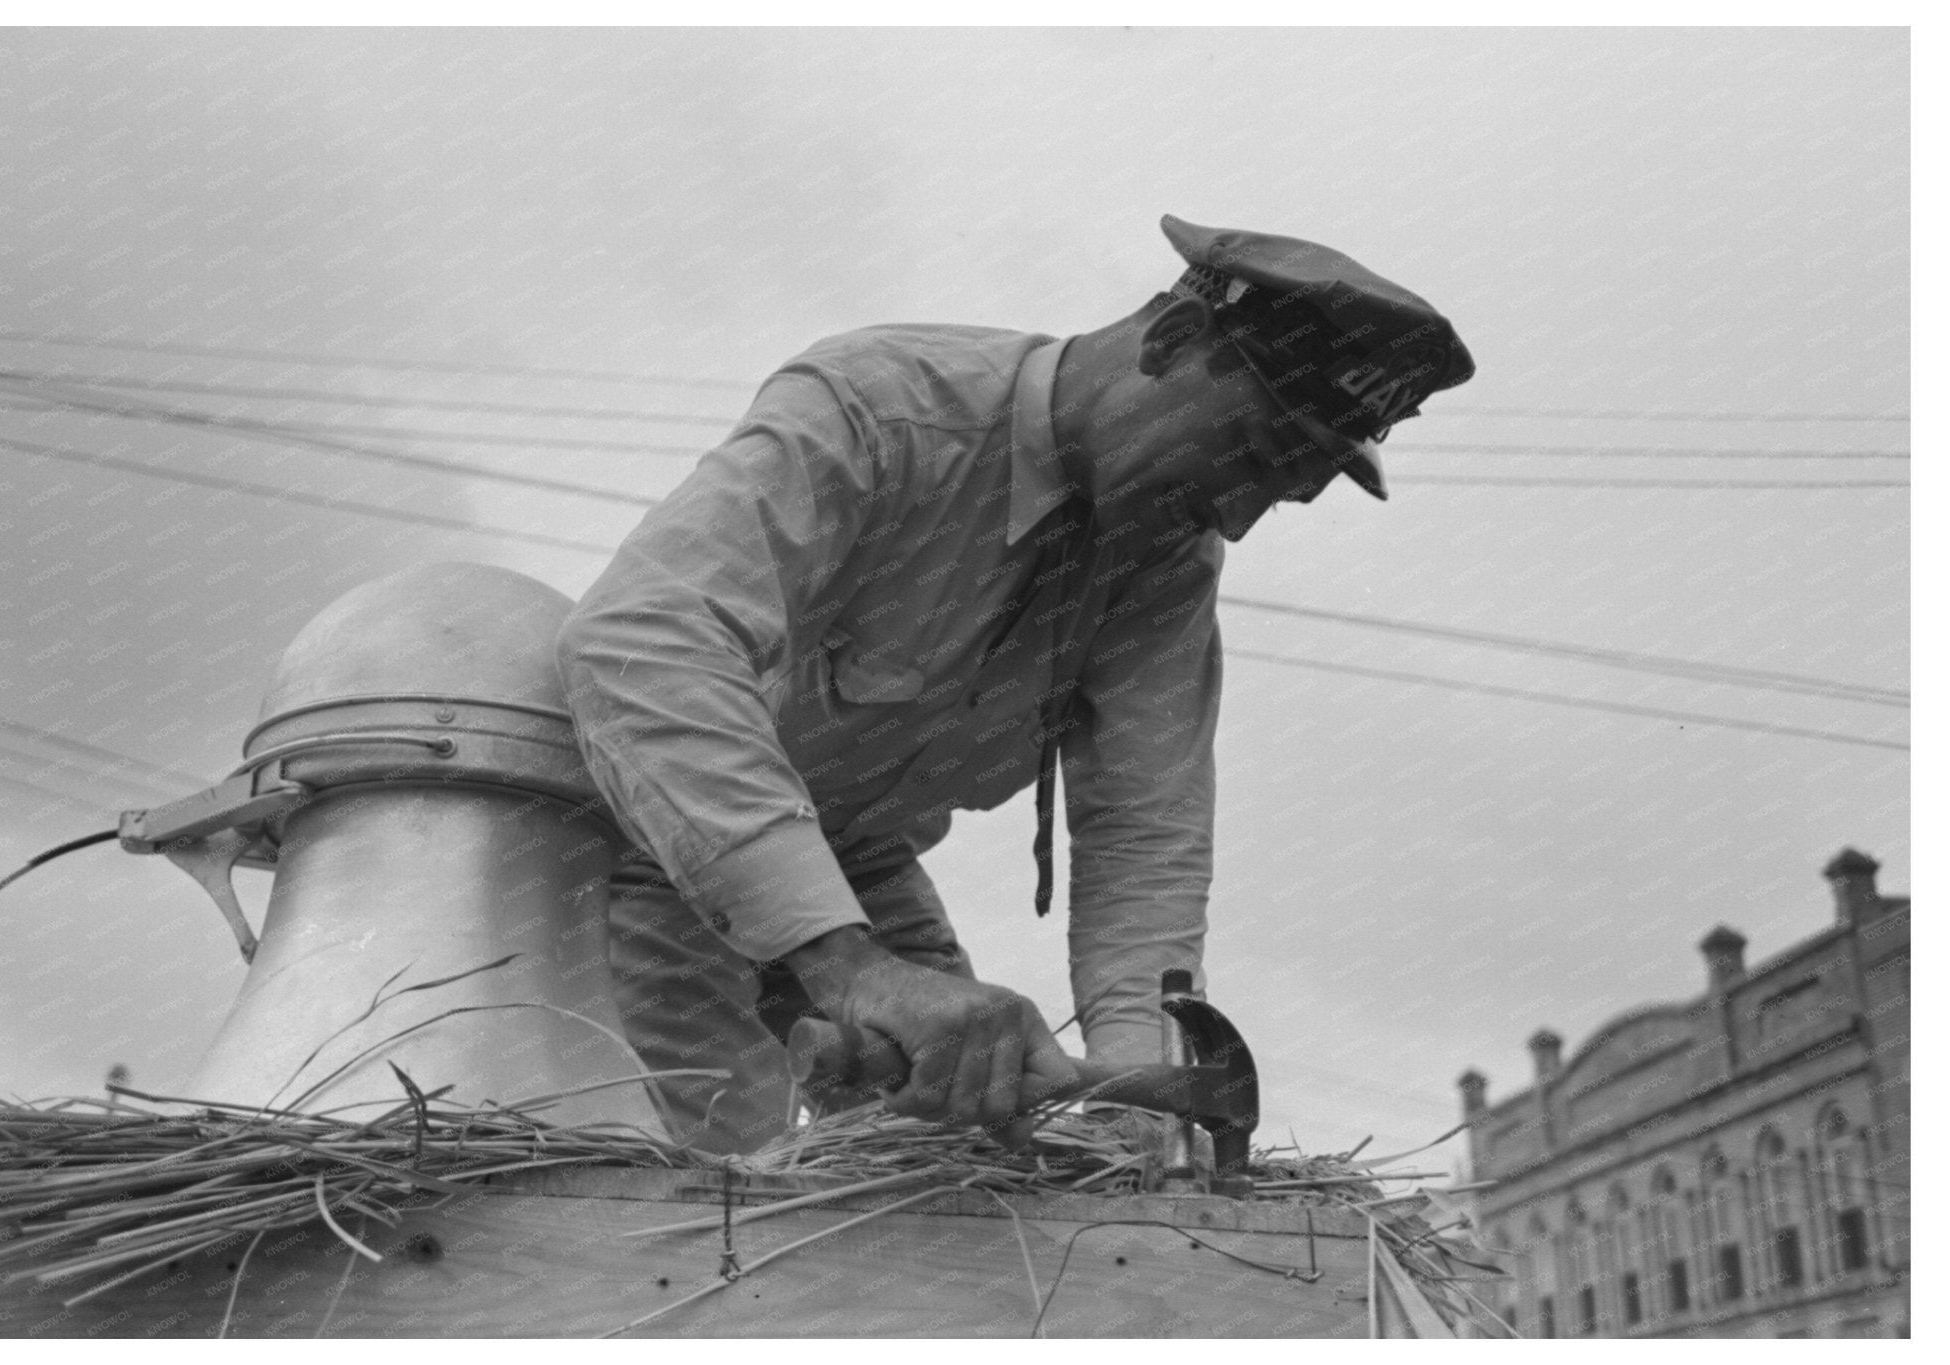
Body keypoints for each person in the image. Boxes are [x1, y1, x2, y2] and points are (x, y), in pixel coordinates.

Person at [557, 216, 1473, 1152]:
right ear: (1171, 341)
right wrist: (853, 970)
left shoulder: (1164, 551)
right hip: (640, 840)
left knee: (959, 1171)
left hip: (860, 860)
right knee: (716, 1196)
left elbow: (1142, 829)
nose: (1235, 518)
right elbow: (640, 640)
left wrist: (1138, 1099)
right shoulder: (877, 408)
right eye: (1244, 457)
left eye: (1280, 495)